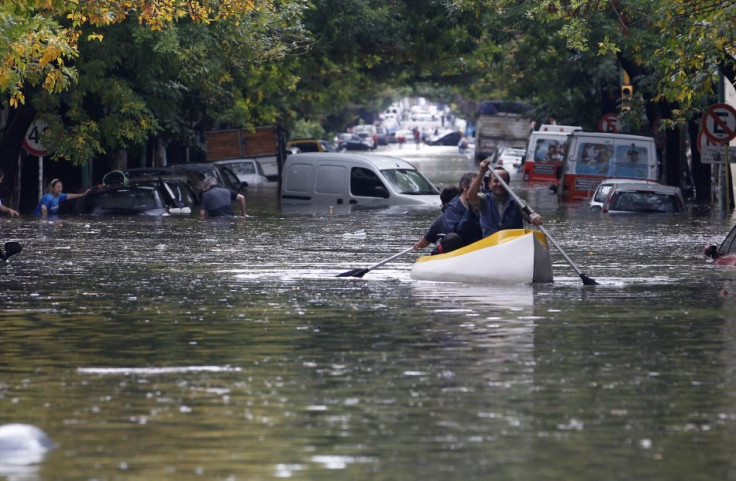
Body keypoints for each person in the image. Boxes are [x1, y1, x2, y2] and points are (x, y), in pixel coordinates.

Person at [467, 160, 542, 239]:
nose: (499, 184)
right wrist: (482, 172)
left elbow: (531, 214)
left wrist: (536, 217)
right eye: (496, 181)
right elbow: (470, 196)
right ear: (489, 184)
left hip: (513, 244)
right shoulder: (484, 200)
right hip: (491, 245)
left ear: (508, 183)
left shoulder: (517, 201)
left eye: (503, 181)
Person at [413, 172, 482, 253]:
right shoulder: (450, 211)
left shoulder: (485, 201)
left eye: (481, 184)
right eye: (476, 185)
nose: (480, 188)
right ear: (464, 186)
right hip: (460, 247)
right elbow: (458, 234)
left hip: (479, 245)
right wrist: (471, 207)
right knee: (452, 237)